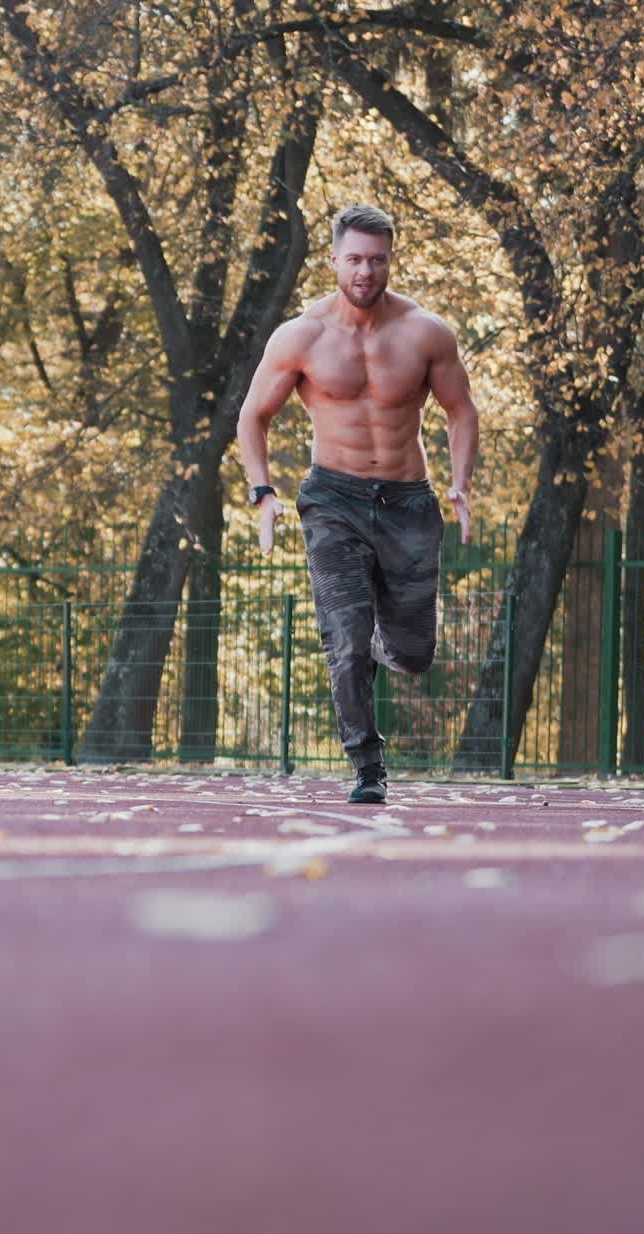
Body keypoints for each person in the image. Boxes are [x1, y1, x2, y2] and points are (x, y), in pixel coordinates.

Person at [237, 203, 479, 803]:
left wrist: (461, 484)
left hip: (408, 500)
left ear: (389, 259)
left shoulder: (426, 332)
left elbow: (460, 410)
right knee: (343, 639)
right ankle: (367, 766)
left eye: (376, 259)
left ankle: (380, 638)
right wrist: (263, 491)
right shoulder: (301, 336)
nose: (365, 271)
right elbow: (253, 416)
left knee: (414, 654)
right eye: (354, 260)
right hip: (333, 499)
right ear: (334, 261)